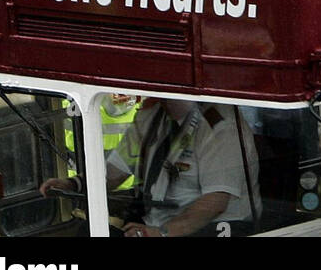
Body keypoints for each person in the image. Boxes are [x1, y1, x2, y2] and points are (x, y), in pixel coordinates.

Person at [43, 97, 259, 238]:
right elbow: (115, 173)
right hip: (153, 225)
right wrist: (73, 183)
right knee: (85, 232)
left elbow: (215, 203)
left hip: (211, 229)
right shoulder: (152, 116)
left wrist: (161, 233)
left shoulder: (220, 127)